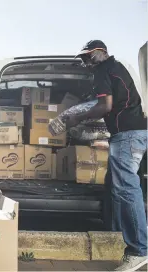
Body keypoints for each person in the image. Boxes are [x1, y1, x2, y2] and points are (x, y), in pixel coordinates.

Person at [68, 40, 147, 272]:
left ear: (101, 53)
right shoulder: (118, 68)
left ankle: (139, 250)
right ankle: (118, 235)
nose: (86, 62)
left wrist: (77, 118)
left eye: (88, 57)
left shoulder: (104, 70)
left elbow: (105, 105)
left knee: (126, 189)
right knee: (116, 185)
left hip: (127, 135)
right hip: (133, 133)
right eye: (84, 58)